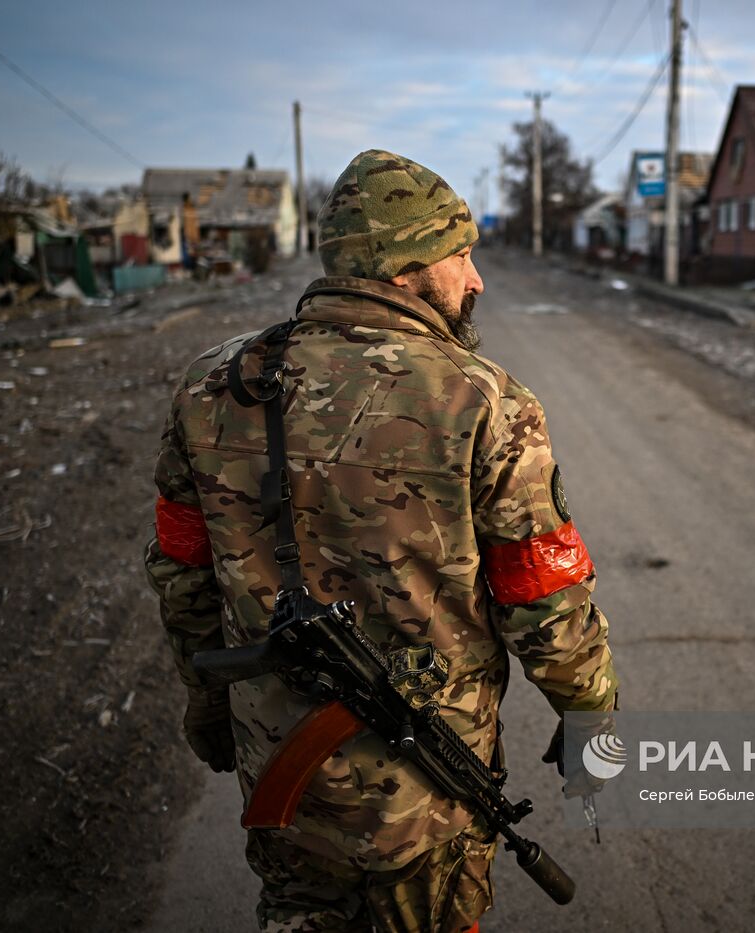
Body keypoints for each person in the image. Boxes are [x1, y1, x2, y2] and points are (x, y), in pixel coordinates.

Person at [144, 149, 619, 933]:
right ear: (406, 268)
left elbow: (184, 575)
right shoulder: (484, 402)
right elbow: (547, 603)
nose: (476, 278)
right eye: (460, 255)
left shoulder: (211, 386)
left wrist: (208, 708)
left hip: (282, 778)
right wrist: (591, 721)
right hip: (425, 807)